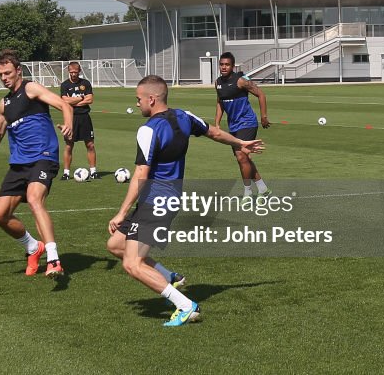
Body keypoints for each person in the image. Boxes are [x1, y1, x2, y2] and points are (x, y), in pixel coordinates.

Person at [108, 75, 264, 327]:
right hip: (164, 197)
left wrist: (121, 213)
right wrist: (240, 141)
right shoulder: (184, 116)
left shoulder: (148, 130)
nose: (137, 104)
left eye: (138, 99)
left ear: (151, 98)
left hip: (157, 201)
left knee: (132, 264)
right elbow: (213, 132)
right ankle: (172, 277)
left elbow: (141, 174)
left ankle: (185, 305)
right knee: (116, 244)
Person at [0, 49, 74, 278]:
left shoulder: (31, 88)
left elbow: (64, 104)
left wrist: (68, 124)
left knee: (35, 198)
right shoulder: (4, 104)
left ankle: (54, 258)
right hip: (19, 163)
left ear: (18, 71)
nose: (4, 78)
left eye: (7, 73)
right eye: (0, 75)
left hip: (43, 157)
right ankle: (34, 247)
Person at [214, 52, 271, 197]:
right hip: (233, 125)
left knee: (241, 156)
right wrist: (217, 124)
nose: (224, 67)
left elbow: (261, 95)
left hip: (247, 122)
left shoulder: (241, 81)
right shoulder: (218, 83)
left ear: (232, 66)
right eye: (221, 64)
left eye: (227, 64)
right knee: (244, 159)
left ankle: (247, 192)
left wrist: (263, 116)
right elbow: (220, 102)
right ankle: (263, 188)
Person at [59, 61, 99, 180]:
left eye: (75, 72)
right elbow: (64, 100)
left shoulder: (85, 83)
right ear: (68, 71)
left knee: (90, 144)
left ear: (79, 71)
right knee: (69, 145)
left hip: (85, 117)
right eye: (71, 72)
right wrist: (82, 97)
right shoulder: (65, 85)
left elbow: (90, 99)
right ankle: (66, 173)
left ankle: (93, 171)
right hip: (71, 118)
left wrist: (75, 100)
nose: (73, 74)